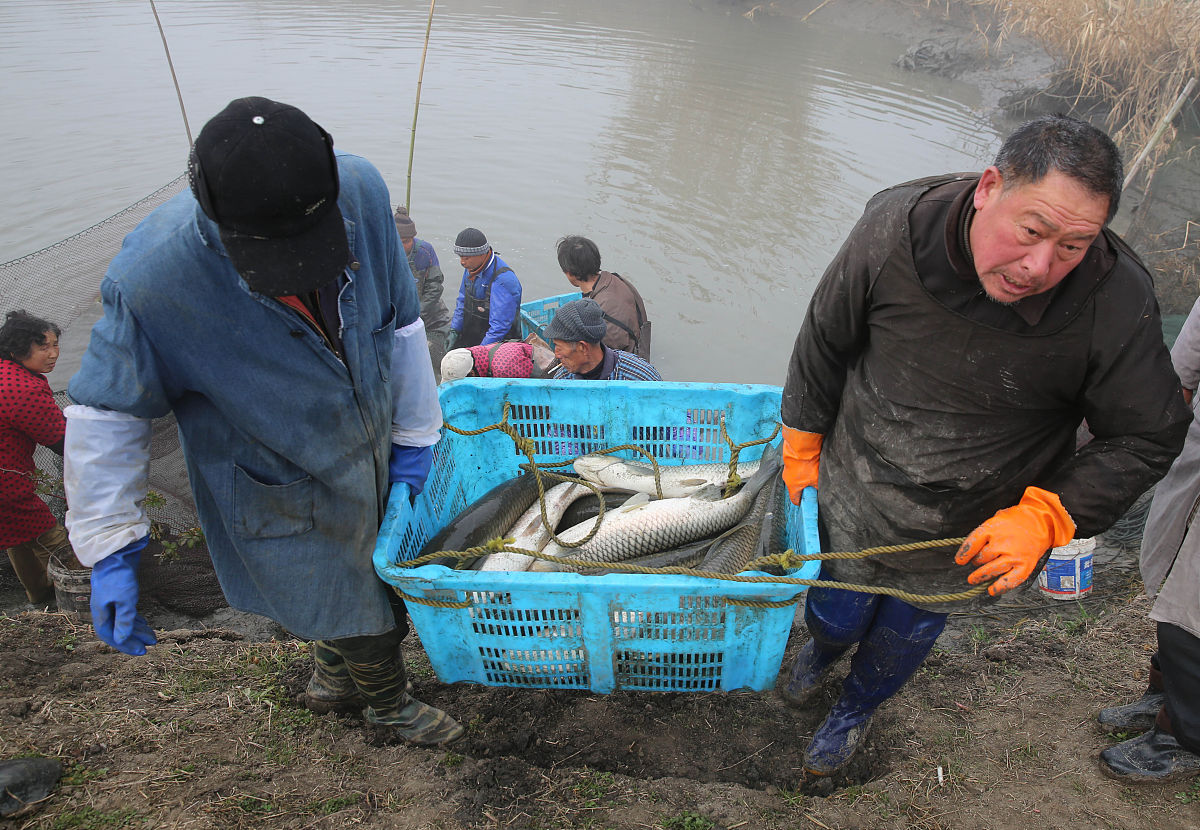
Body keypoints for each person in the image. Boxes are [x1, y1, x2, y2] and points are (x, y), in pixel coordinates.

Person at [778, 113, 1190, 777]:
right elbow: (826, 337)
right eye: (1032, 232)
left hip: (978, 522)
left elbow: (1150, 431)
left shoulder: (1116, 297)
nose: (1039, 266)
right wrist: (802, 439)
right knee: (835, 612)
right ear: (989, 187)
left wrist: (1049, 514)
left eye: (1073, 247)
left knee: (901, 641)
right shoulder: (893, 228)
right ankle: (822, 653)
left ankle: (854, 709)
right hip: (860, 481)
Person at [62, 96, 462, 746]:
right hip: (273, 468)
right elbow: (108, 415)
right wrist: (110, 544)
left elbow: (400, 323)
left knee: (370, 579)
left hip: (372, 438)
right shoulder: (152, 281)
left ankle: (333, 677)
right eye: (276, 257)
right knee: (361, 601)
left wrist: (415, 434)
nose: (297, 271)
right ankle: (389, 706)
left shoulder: (358, 188)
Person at [1097, 295, 1200, 783]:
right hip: (1194, 462)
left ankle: (1186, 737)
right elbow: (1180, 375)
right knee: (1165, 577)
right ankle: (1168, 692)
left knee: (1193, 606)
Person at [1, 310, 82, 606]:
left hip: (7, 477)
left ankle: (38, 596)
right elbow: (62, 441)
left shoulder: (4, 371)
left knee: (15, 534)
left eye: (55, 345)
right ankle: (84, 595)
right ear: (18, 350)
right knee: (51, 537)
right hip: (6, 483)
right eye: (43, 347)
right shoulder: (22, 388)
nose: (53, 354)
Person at [556, 235, 651, 359]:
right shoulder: (616, 279)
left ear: (568, 273)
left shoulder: (599, 313)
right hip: (639, 348)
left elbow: (599, 357)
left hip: (626, 366)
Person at [544, 298, 661, 381]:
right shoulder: (562, 382)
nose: (557, 355)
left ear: (583, 347)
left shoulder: (641, 378)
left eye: (558, 346)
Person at [394, 207, 452, 374]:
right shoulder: (382, 252)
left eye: (406, 241)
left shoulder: (425, 251)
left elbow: (435, 286)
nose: (402, 246)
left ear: (413, 238)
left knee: (442, 357)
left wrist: (417, 312)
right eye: (398, 241)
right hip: (399, 315)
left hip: (431, 313)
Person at [446, 228, 522, 349]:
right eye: (460, 257)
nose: (462, 262)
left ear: (481, 254)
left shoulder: (503, 280)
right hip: (472, 335)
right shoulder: (471, 269)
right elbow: (462, 301)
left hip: (498, 346)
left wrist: (478, 353)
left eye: (466, 258)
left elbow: (499, 328)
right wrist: (455, 329)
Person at [439, 340, 556, 383]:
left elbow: (523, 395)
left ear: (472, 374)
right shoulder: (478, 353)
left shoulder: (503, 369)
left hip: (551, 375)